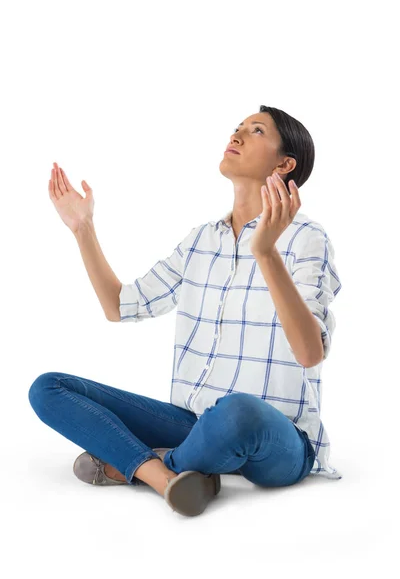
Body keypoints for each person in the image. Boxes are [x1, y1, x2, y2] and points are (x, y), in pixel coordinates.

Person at [28, 105, 342, 517]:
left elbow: (309, 353)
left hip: (277, 439)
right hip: (194, 424)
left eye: (256, 130)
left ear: (285, 164)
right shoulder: (200, 241)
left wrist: (264, 251)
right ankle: (168, 477)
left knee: (238, 409)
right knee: (48, 388)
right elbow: (119, 306)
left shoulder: (306, 238)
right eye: (237, 128)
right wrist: (82, 228)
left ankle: (140, 468)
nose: (237, 135)